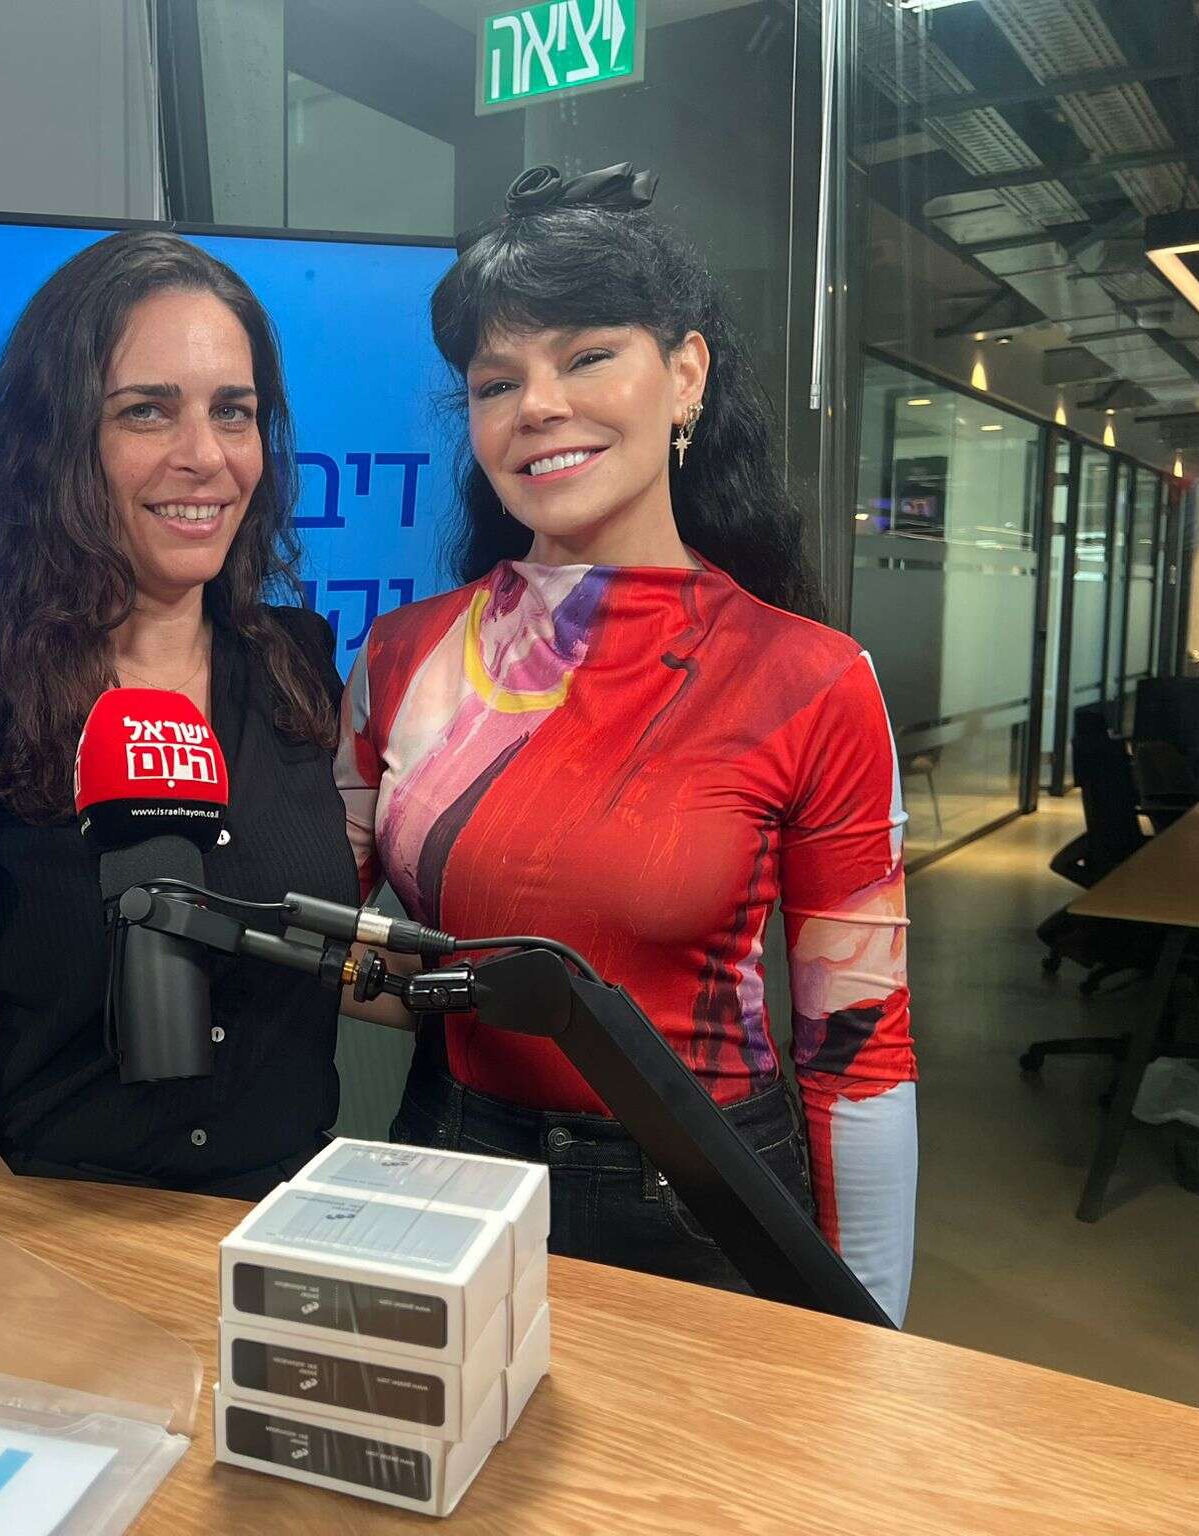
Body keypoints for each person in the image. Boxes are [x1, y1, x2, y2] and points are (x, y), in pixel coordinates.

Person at [336, 166, 917, 1323]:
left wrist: (874, 1344)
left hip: (704, 1197)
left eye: (587, 355)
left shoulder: (809, 682)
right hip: (449, 1167)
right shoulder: (400, 659)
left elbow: (857, 1047)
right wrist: (455, 990)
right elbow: (323, 942)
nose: (538, 405)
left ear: (684, 373)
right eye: (496, 381)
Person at [0, 230, 356, 1198]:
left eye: (233, 412)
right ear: (52, 446)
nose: (205, 457)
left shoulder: (297, 669)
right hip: (55, 1245)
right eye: (146, 412)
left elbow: (330, 958)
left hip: (294, 1229)